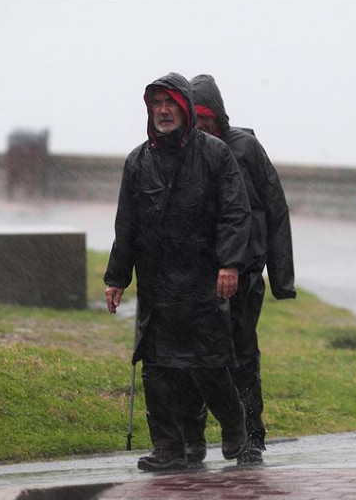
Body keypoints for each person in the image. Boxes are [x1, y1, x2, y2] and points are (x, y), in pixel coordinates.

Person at [104, 72, 251, 471]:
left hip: (203, 280)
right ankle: (168, 449)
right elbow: (127, 225)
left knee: (208, 365)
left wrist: (229, 263)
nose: (163, 111)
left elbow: (235, 214)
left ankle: (236, 426)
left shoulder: (215, 154)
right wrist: (116, 278)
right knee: (158, 371)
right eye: (156, 104)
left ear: (185, 108)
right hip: (156, 284)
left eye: (170, 103)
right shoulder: (138, 161)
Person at [179, 74, 296, 466]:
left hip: (243, 275)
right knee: (194, 358)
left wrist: (281, 279)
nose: (203, 126)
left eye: (209, 119)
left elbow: (276, 210)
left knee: (242, 356)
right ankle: (191, 439)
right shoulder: (182, 150)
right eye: (197, 118)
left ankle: (251, 437)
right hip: (195, 276)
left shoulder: (246, 149)